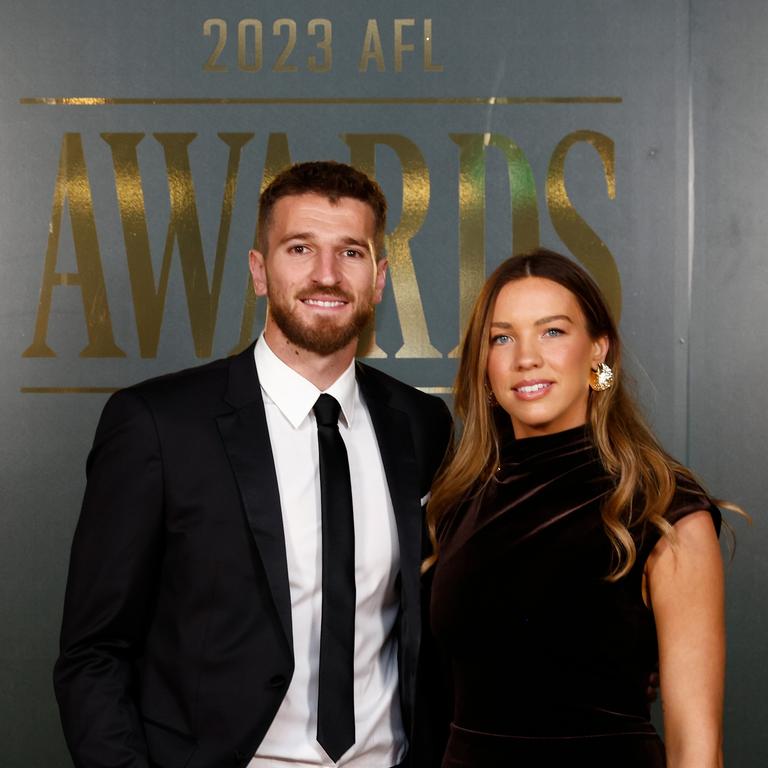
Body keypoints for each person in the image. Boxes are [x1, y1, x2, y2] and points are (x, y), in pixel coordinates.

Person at [54, 161, 453, 768]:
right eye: (300, 248)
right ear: (260, 271)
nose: (326, 274)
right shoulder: (158, 425)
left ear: (378, 279)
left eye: (350, 252)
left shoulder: (421, 425)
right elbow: (94, 653)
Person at [425, 248, 730, 767]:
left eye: (553, 331)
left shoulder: (661, 506)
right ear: (484, 364)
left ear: (598, 352)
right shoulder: (458, 500)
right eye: (502, 337)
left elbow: (694, 747)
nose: (526, 357)